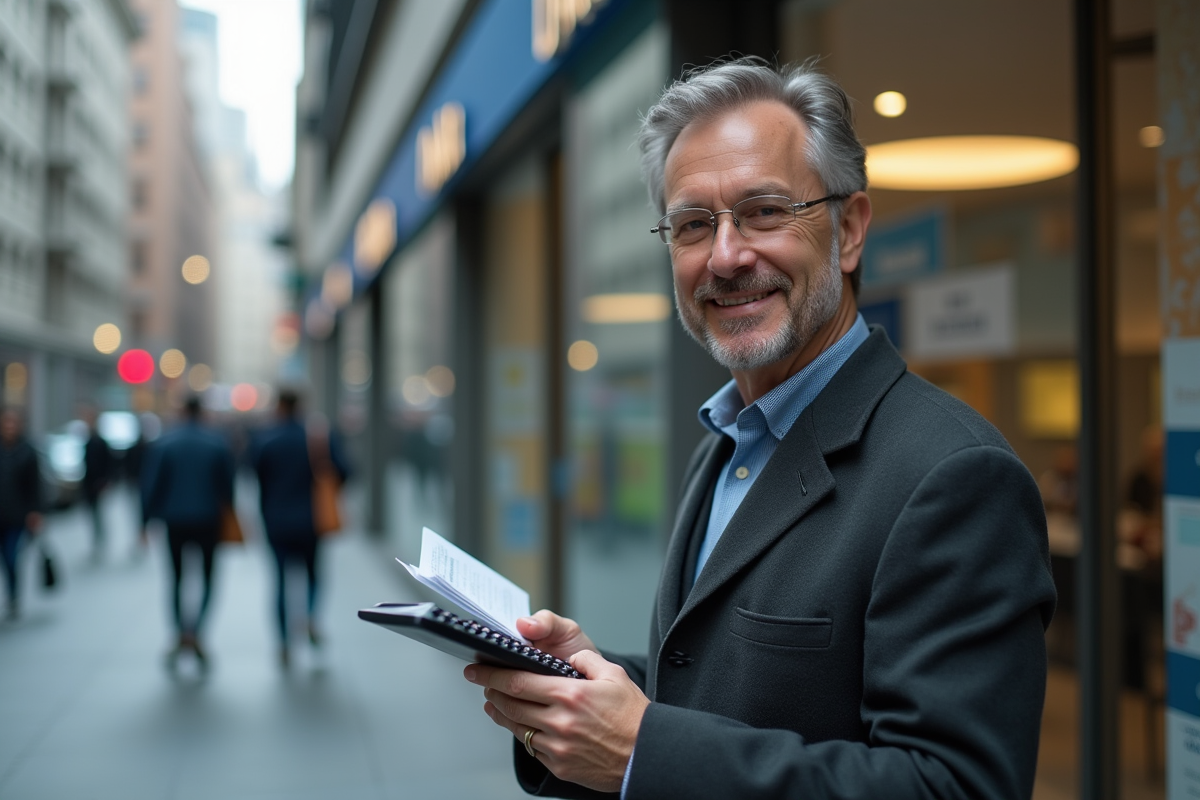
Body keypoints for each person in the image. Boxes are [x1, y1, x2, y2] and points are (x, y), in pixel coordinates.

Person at [463, 57, 1056, 800]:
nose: (726, 256)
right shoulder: (726, 439)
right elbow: (720, 694)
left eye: (766, 211)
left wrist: (643, 750)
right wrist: (588, 690)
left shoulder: (954, 475)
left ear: (849, 231)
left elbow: (953, 787)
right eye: (691, 225)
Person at [251, 389, 348, 669]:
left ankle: (283, 643)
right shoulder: (318, 437)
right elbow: (344, 472)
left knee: (279, 581)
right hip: (312, 521)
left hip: (276, 521)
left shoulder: (265, 439)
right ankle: (310, 617)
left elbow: (256, 476)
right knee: (314, 574)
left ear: (279, 406)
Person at [143, 396, 235, 671]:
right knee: (208, 578)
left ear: (182, 411)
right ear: (203, 411)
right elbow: (228, 487)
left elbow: (151, 485)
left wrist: (144, 521)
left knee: (176, 579)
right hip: (208, 519)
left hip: (175, 520)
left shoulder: (165, 442)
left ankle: (180, 632)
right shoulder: (216, 442)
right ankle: (197, 632)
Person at [0, 408, 43, 619]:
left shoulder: (27, 451)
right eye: (6, 422)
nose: (9, 427)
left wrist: (35, 512)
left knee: (11, 556)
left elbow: (35, 486)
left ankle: (13, 596)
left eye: (13, 423)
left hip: (17, 516)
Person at [80, 405, 113, 561]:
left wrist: (104, 482)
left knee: (98, 515)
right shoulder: (87, 440)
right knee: (93, 515)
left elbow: (107, 464)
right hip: (89, 484)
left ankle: (99, 542)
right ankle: (97, 541)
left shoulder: (99, 441)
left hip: (97, 485)